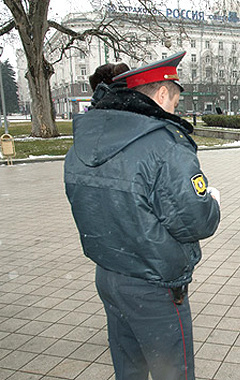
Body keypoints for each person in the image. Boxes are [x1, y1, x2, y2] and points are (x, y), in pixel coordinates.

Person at [64, 51, 221, 380]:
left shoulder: (88, 138)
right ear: (163, 94)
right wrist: (211, 201)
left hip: (109, 275)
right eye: (175, 103)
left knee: (129, 370)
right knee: (172, 374)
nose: (174, 110)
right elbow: (197, 220)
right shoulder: (166, 145)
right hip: (155, 285)